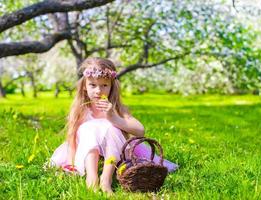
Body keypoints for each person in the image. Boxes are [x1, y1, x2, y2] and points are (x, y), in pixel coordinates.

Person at [50, 57, 178, 194]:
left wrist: (113, 117)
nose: (98, 91)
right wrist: (71, 163)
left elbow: (140, 131)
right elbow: (72, 137)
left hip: (114, 149)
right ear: (84, 87)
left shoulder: (116, 108)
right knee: (88, 128)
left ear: (112, 87)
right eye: (92, 85)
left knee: (111, 127)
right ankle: (92, 178)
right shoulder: (80, 109)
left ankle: (106, 178)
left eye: (104, 85)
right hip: (88, 149)